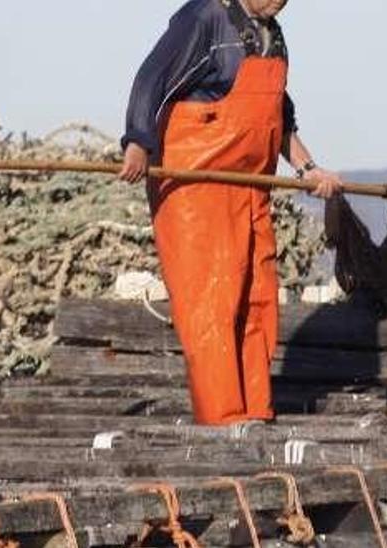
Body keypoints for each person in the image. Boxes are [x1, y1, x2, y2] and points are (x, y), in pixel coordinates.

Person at [119, 0, 344, 425]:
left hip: (250, 188)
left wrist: (309, 169)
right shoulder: (204, 18)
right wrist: (137, 141)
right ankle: (222, 420)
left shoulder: (272, 36)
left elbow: (277, 116)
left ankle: (255, 412)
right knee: (211, 303)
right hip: (194, 186)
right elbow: (153, 77)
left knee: (257, 301)